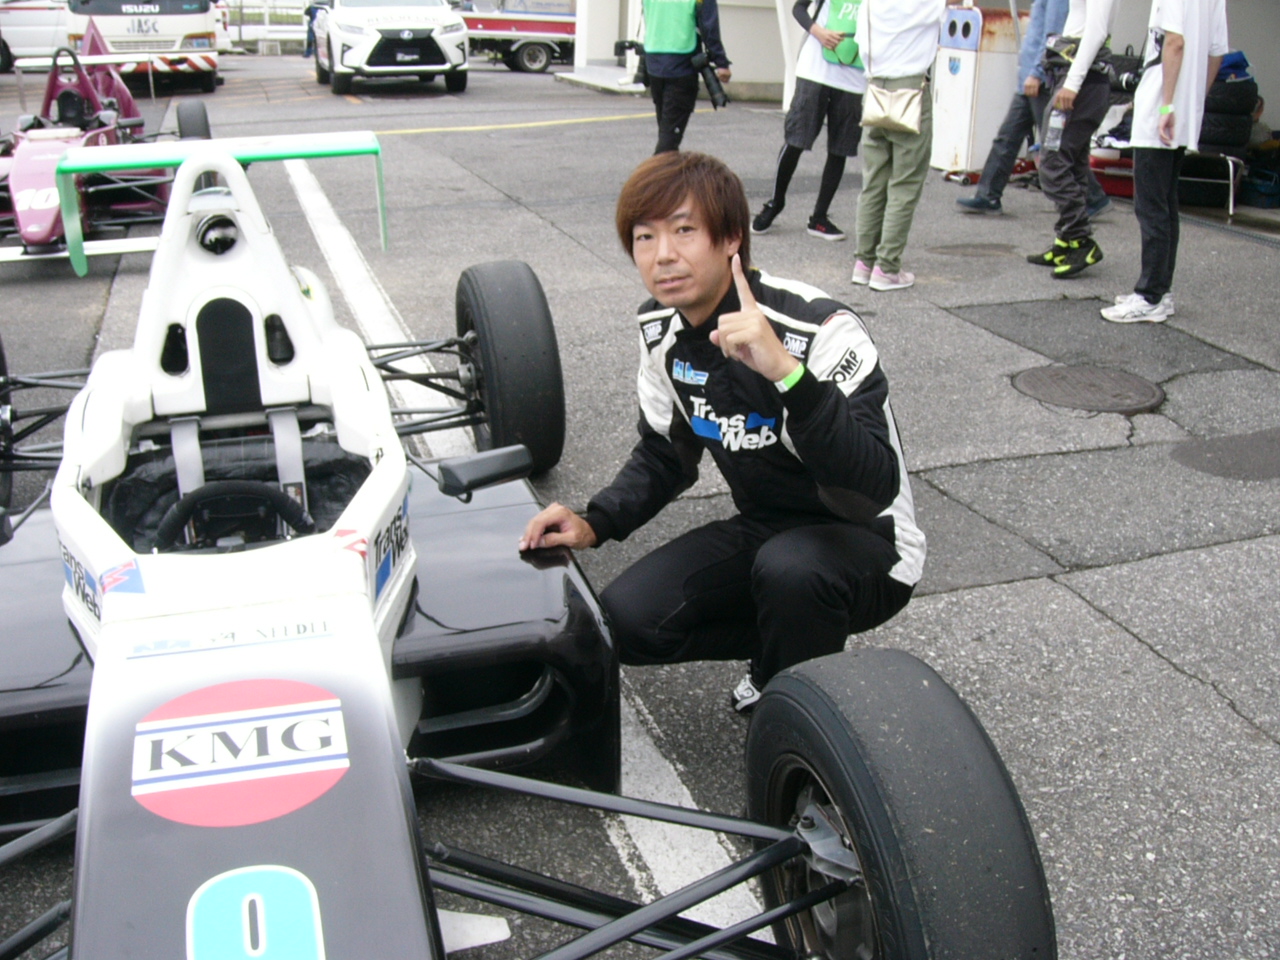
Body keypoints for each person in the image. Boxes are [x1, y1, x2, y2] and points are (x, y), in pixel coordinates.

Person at [519, 152, 924, 713]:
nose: (663, 255)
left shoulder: (820, 327)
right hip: (768, 529)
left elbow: (871, 488)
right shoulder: (660, 331)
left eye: (684, 231)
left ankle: (795, 700)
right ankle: (787, 644)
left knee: (793, 571)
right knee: (623, 621)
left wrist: (789, 375)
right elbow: (665, 454)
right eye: (644, 237)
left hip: (870, 540)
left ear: (731, 237)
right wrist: (596, 521)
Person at [1101, 0, 1228, 323]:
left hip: (1159, 109)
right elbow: (1216, 53)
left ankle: (1150, 295)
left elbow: (1174, 42)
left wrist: (1167, 105)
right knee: (1166, 203)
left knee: (1151, 205)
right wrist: (1192, 100)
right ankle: (1161, 290)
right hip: (1183, 111)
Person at [955, 0, 1110, 218]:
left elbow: (1053, 35)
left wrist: (1037, 73)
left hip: (1040, 80)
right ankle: (988, 194)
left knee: (1053, 148)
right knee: (1009, 138)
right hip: (1030, 79)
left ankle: (1091, 198)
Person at [850, 0, 948, 292]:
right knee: (905, 183)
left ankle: (863, 262)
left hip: (874, 87)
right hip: (910, 89)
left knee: (873, 182)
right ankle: (887, 267)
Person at [750, 0, 868, 242]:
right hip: (815, 71)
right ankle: (775, 202)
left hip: (854, 78)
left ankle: (819, 217)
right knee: (796, 139)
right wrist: (819, 32)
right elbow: (799, 8)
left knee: (840, 148)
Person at [1025, 0, 1116, 278]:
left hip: (1082, 79)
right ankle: (1067, 240)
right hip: (1077, 74)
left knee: (1052, 162)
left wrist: (1072, 84)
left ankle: (1080, 239)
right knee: (1072, 162)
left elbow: (1096, 31)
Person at [642, 0, 731, 154]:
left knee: (666, 132)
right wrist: (721, 62)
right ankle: (658, 169)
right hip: (682, 67)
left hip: (654, 63)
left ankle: (665, 166)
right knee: (668, 141)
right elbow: (709, 27)